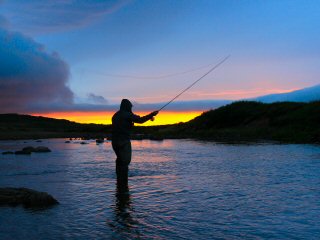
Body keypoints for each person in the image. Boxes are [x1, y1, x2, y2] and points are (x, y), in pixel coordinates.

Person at [111, 99, 158, 185]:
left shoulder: (115, 115)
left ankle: (119, 181)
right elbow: (140, 120)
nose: (131, 108)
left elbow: (122, 125)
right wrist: (152, 114)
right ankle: (123, 183)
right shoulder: (127, 114)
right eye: (130, 107)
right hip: (124, 141)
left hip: (114, 141)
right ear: (127, 106)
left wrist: (130, 124)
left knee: (119, 160)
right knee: (125, 162)